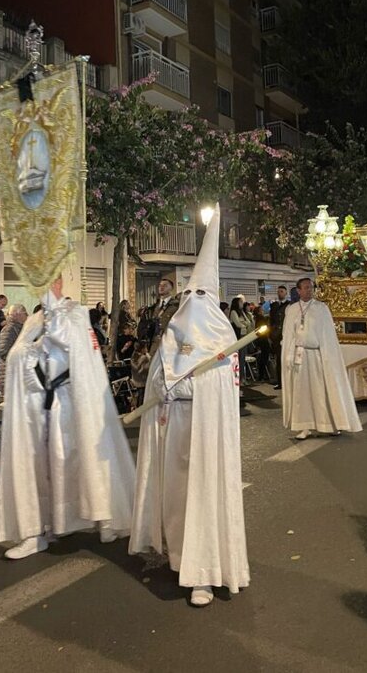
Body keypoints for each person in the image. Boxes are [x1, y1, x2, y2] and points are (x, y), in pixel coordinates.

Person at [130, 205, 249, 607]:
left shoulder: (223, 341)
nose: (194, 300)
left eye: (202, 294)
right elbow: (158, 374)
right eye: (190, 294)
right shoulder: (171, 332)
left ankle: (205, 573)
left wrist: (199, 383)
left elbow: (225, 391)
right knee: (179, 498)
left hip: (204, 432)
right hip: (174, 428)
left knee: (204, 496)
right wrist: (161, 388)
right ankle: (182, 559)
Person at [0, 276, 136, 558]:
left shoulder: (74, 315)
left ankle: (103, 516)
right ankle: (39, 528)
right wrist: (29, 355)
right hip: (37, 405)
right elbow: (15, 355)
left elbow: (83, 358)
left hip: (71, 403)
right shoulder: (35, 319)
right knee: (39, 466)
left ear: (59, 281)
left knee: (80, 461)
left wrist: (56, 337)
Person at [281, 277, 362, 440]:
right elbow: (287, 334)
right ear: (298, 290)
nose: (309, 290)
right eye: (305, 288)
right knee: (300, 393)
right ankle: (304, 427)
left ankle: (329, 424)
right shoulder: (291, 310)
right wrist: (288, 354)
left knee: (321, 391)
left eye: (311, 288)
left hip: (317, 355)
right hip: (299, 356)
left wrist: (328, 358)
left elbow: (328, 336)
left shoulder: (321, 308)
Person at [0, 304, 28, 396]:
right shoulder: (9, 330)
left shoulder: (20, 329)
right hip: (10, 375)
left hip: (17, 374)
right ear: (17, 314)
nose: (27, 316)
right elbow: (4, 352)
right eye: (25, 313)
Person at [147, 279, 180, 358]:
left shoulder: (176, 305)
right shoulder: (155, 306)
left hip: (169, 342)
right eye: (160, 286)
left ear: (171, 288)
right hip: (155, 342)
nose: (161, 287)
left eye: (165, 285)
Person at [269, 285, 291, 390]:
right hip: (277, 336)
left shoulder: (289, 305)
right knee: (279, 360)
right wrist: (272, 334)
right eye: (278, 292)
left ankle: (288, 381)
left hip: (286, 335)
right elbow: (272, 321)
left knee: (287, 359)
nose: (280, 293)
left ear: (286, 293)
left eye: (282, 291)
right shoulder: (274, 306)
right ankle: (280, 382)